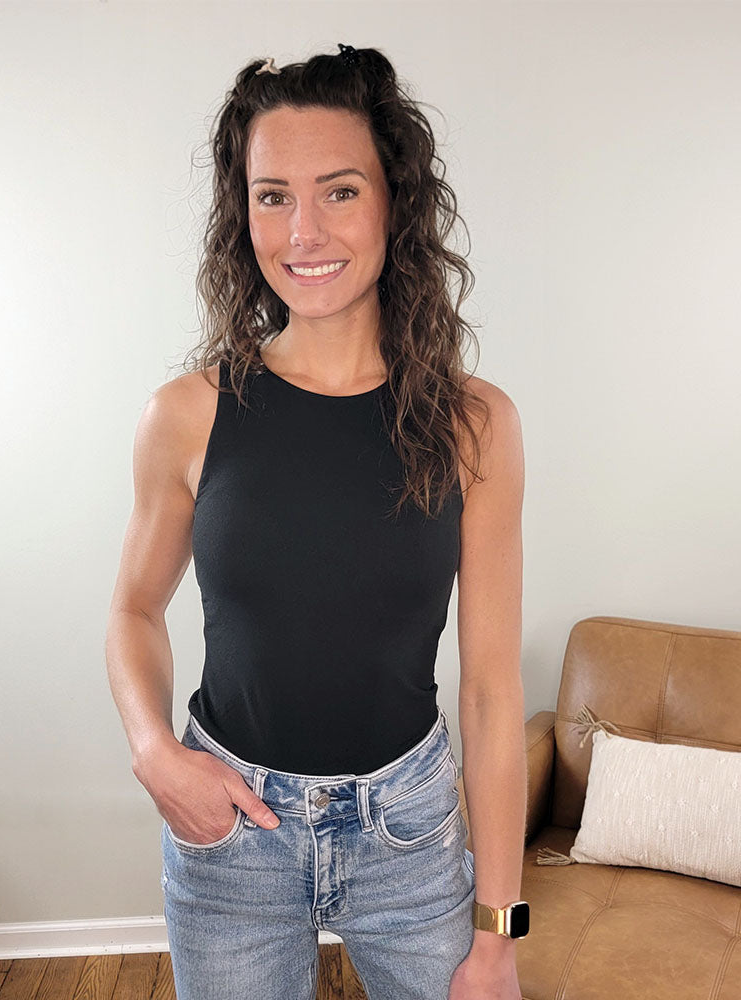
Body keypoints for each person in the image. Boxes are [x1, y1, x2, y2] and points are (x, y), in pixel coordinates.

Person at [106, 43, 527, 1000]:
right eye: (270, 195)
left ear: (394, 202)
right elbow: (132, 611)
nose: (302, 230)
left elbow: (495, 690)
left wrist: (499, 933)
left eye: (339, 191)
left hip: (407, 833)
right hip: (231, 832)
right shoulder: (188, 413)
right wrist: (151, 748)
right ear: (240, 210)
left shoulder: (475, 423)